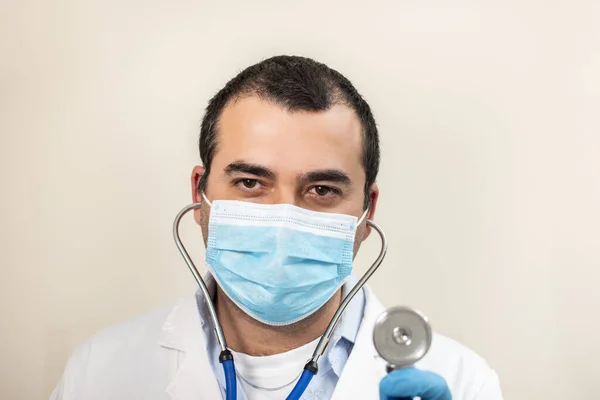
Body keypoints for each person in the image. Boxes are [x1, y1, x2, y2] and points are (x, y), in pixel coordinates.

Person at [50, 55, 503, 400]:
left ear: (367, 214)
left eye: (322, 189)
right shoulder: (100, 372)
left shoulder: (462, 381)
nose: (284, 219)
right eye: (250, 182)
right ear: (200, 194)